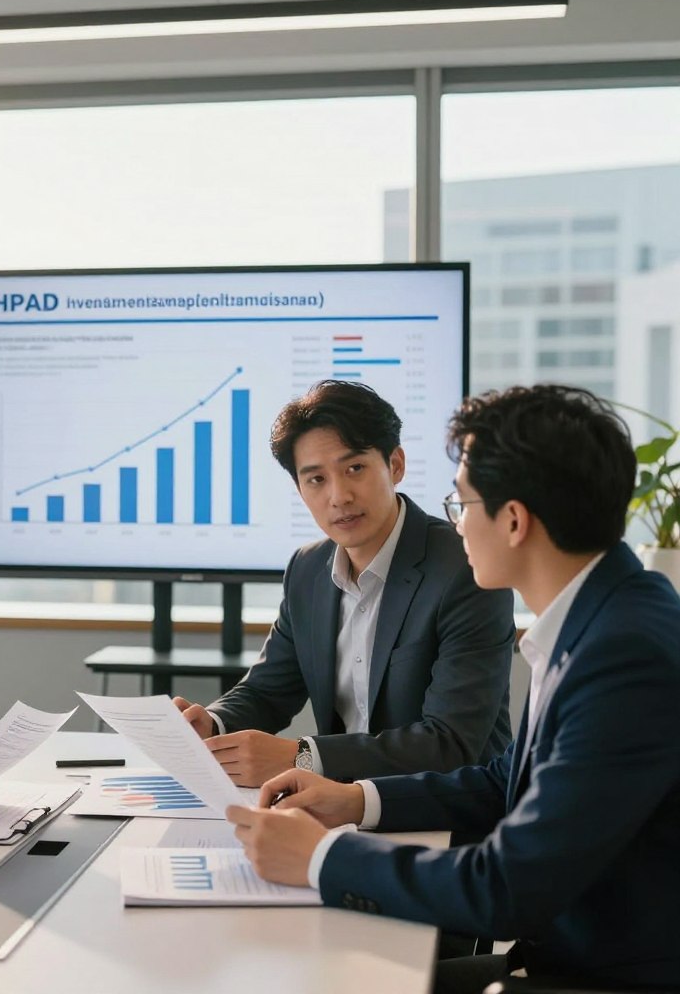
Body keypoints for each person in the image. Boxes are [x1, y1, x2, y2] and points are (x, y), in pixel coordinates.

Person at [227, 385, 680, 992]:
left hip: (600, 976)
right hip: (567, 956)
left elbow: (505, 888)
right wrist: (354, 799)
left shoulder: (622, 655)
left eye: (462, 502)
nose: (455, 521)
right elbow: (505, 782)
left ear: (514, 520)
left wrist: (320, 857)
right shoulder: (603, 617)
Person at [174, 380, 515, 787]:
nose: (339, 496)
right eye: (316, 479)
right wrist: (212, 724)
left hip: (447, 809)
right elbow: (268, 692)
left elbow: (450, 743)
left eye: (355, 468)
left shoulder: (465, 568)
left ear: (396, 465)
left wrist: (301, 756)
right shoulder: (307, 569)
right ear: (300, 489)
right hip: (336, 804)